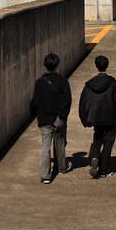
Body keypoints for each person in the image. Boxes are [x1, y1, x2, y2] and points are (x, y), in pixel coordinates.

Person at [78, 54, 116, 178]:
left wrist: (85, 119)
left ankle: (94, 158)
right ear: (107, 66)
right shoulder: (112, 82)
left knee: (97, 140)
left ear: (95, 66)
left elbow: (82, 102)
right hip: (109, 117)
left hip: (95, 117)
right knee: (108, 142)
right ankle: (104, 169)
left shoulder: (89, 84)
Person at [29, 53, 72, 184]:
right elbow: (67, 99)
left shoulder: (40, 82)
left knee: (45, 145)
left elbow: (35, 102)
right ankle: (61, 168)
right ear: (57, 65)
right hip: (59, 118)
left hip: (45, 118)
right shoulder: (63, 81)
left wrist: (36, 113)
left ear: (45, 65)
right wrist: (62, 115)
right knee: (60, 143)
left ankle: (45, 176)